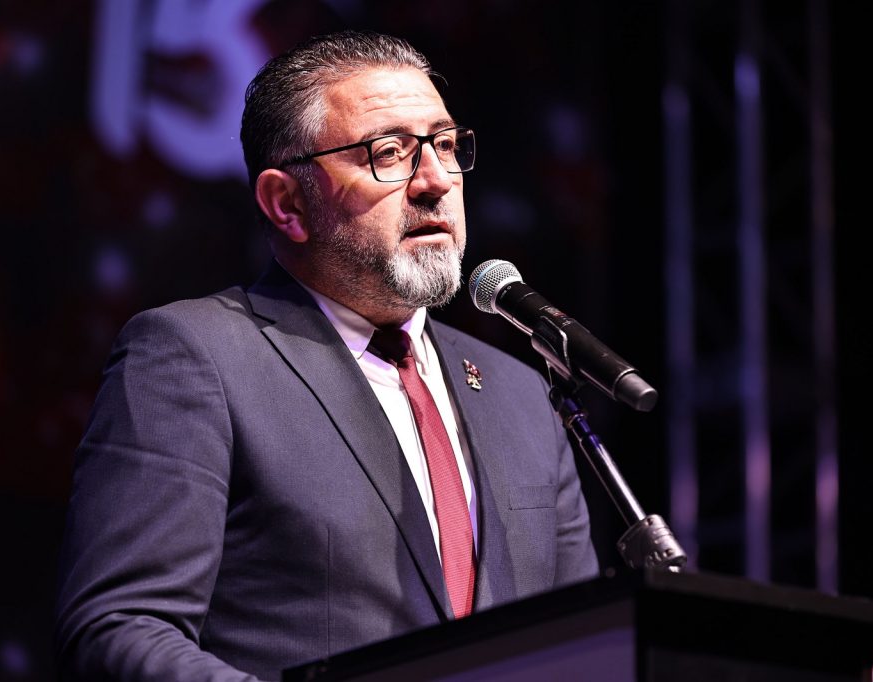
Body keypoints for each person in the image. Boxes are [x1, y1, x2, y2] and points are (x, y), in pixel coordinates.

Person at [53, 29, 599, 682]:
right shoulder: (197, 358)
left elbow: (586, 649)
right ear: (287, 203)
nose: (434, 181)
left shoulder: (522, 396)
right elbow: (120, 630)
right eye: (389, 153)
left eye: (446, 146)